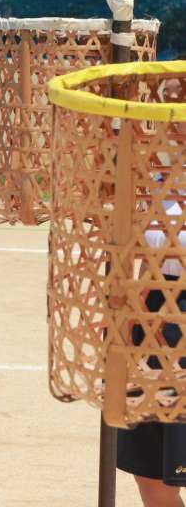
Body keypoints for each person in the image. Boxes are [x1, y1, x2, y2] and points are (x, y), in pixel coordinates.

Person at [117, 75, 186, 507]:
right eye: (169, 101)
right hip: (153, 318)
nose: (172, 115)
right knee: (152, 477)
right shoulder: (160, 179)